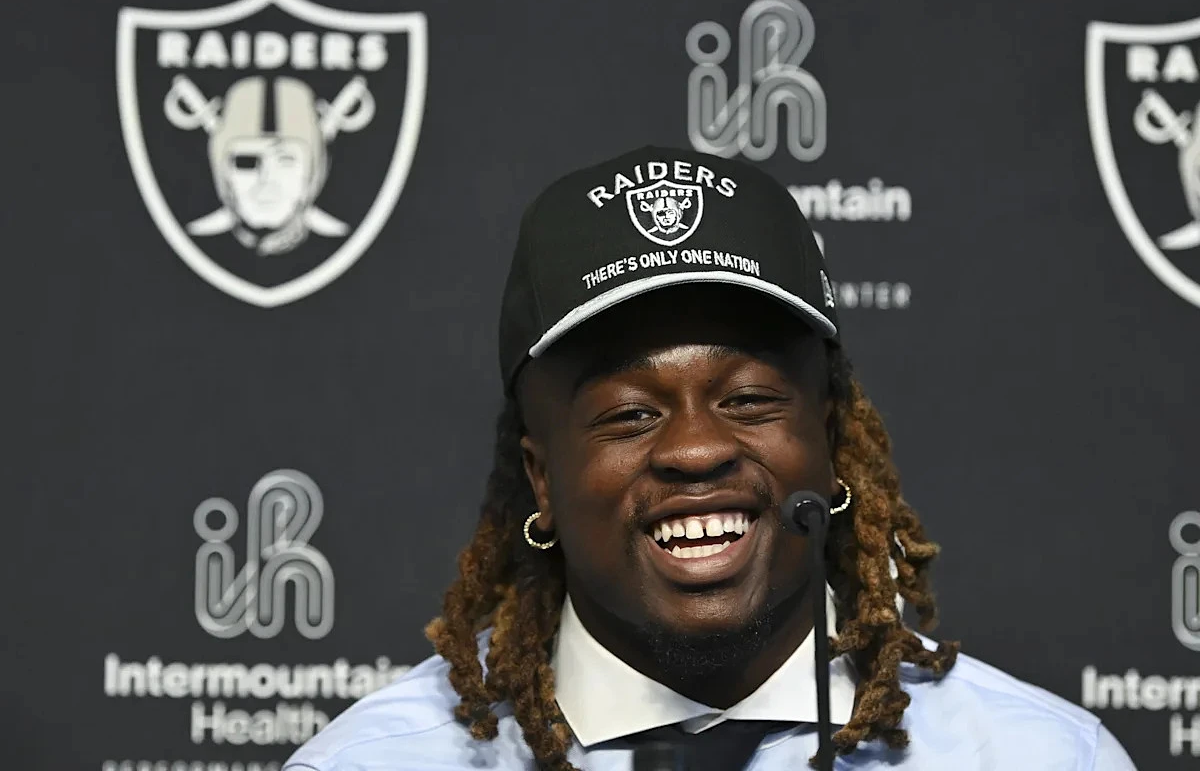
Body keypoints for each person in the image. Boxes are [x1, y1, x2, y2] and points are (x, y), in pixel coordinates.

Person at [282, 147, 1137, 770]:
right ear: (542, 479)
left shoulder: (1044, 758)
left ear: (831, 445)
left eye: (749, 400)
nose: (695, 449)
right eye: (629, 414)